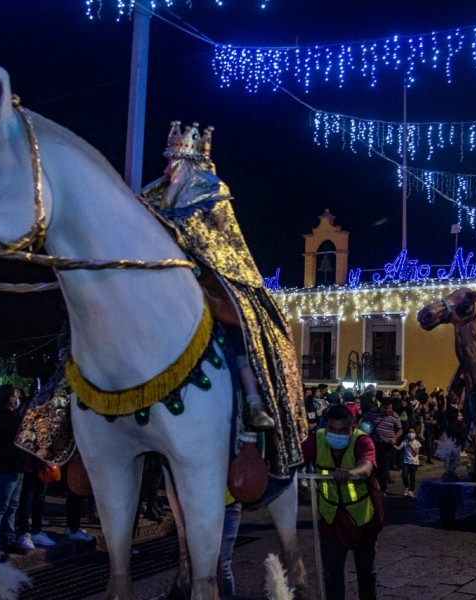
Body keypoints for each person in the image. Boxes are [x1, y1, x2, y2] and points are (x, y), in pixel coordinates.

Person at [142, 122, 307, 464]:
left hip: (207, 272)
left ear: (189, 166)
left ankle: (252, 398)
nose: (168, 168)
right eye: (168, 161)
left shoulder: (212, 193)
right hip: (160, 273)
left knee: (234, 319)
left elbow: (222, 242)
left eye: (175, 162)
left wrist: (184, 240)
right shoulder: (154, 195)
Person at [301, 404, 381, 600]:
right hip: (331, 521)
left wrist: (351, 473)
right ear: (325, 427)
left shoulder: (363, 442)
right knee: (331, 575)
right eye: (332, 430)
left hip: (363, 519)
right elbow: (295, 461)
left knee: (366, 574)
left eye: (343, 430)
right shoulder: (315, 441)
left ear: (352, 428)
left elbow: (366, 466)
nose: (337, 434)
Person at [0, 384, 28, 554]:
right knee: (1, 505)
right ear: (10, 398)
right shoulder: (3, 416)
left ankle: (8, 538)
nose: (18, 399)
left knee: (12, 506)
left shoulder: (12, 416)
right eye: (16, 396)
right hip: (7, 466)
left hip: (17, 466)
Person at [362, 398, 401, 496]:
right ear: (381, 407)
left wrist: (395, 438)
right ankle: (372, 487)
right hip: (374, 444)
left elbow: (400, 429)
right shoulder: (373, 413)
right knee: (373, 467)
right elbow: (363, 420)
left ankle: (382, 490)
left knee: (384, 468)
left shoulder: (394, 415)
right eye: (386, 408)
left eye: (390, 408)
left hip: (387, 445)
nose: (388, 410)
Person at [395, 426, 421, 497]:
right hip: (406, 462)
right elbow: (398, 448)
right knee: (404, 475)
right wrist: (392, 444)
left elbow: (416, 452)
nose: (411, 433)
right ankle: (407, 486)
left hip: (414, 463)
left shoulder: (417, 442)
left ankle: (411, 490)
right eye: (409, 432)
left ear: (415, 434)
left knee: (412, 476)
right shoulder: (405, 441)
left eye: (412, 432)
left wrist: (411, 445)